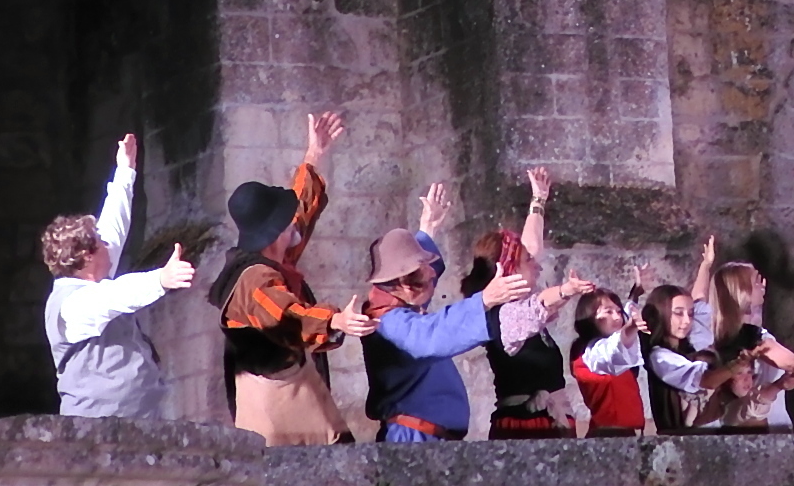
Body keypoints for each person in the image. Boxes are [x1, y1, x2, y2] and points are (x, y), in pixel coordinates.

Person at [207, 110, 376, 446]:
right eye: (283, 223)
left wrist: (314, 153)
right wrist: (336, 320)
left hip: (296, 387)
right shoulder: (253, 280)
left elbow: (299, 213)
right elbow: (287, 315)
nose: (291, 226)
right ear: (273, 234)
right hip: (273, 400)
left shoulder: (273, 255)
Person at [361, 183, 535, 441]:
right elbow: (430, 336)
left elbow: (422, 270)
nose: (433, 274)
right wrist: (484, 300)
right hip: (412, 439)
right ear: (402, 283)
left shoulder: (402, 301)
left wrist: (427, 227)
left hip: (432, 438)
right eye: (422, 270)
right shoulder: (387, 320)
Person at [41, 133, 196, 419]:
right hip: (96, 427)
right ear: (88, 256)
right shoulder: (71, 305)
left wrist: (125, 171)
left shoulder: (93, 273)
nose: (106, 244)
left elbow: (115, 225)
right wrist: (160, 279)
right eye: (99, 243)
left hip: (141, 418)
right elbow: (114, 297)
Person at [460, 167, 595, 439]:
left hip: (549, 421)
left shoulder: (516, 303)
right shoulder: (504, 315)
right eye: (527, 262)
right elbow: (541, 304)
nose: (536, 264)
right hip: (525, 428)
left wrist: (538, 201)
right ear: (509, 270)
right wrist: (566, 289)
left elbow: (531, 247)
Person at [701, 258, 794, 430]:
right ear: (741, 291)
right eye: (756, 281)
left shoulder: (753, 332)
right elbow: (787, 360)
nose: (763, 285)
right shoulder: (737, 338)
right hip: (747, 429)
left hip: (775, 423)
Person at [641, 282, 770, 431]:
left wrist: (706, 264)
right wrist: (737, 365)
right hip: (680, 441)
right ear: (661, 314)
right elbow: (706, 381)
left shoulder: (689, 348)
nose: (687, 321)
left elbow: (699, 302)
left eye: (690, 314)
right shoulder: (660, 357)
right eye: (678, 313)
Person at [571, 272, 649, 437]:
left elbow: (625, 316)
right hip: (607, 436)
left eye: (618, 312)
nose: (617, 317)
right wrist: (630, 328)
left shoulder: (611, 338)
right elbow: (613, 348)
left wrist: (635, 294)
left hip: (629, 434)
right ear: (590, 318)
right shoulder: (589, 354)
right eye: (608, 312)